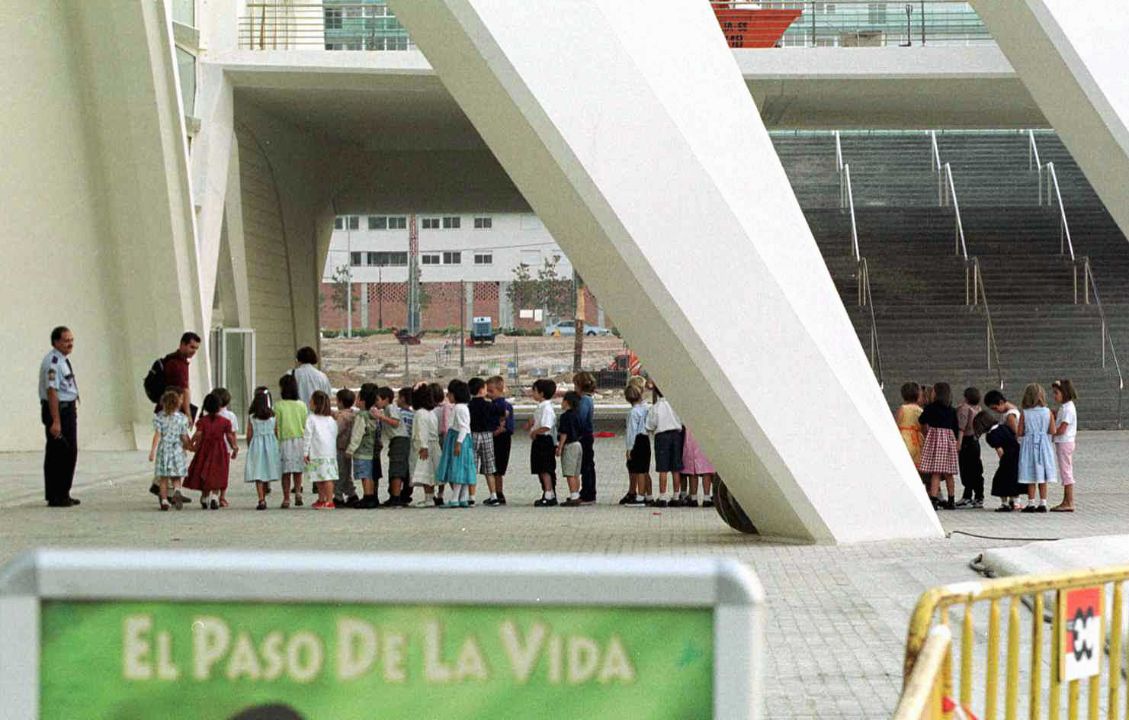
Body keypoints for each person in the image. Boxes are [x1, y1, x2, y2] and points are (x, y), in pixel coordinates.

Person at [148, 331, 202, 498]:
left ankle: (161, 485)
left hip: (165, 407)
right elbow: (184, 390)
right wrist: (188, 413)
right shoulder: (179, 365)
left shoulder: (170, 360)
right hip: (174, 410)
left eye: (196, 348)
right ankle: (169, 490)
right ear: (183, 344)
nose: (194, 351)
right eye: (192, 346)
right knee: (177, 451)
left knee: (170, 452)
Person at [39, 326, 80, 507]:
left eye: (71, 340)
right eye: (66, 340)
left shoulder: (62, 360)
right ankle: (55, 495)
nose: (70, 343)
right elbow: (52, 392)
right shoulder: (53, 362)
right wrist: (56, 421)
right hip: (59, 410)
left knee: (69, 451)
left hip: (67, 409)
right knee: (58, 452)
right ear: (56, 342)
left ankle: (63, 492)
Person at [183, 392, 237, 510]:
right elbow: (229, 436)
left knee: (204, 471)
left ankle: (205, 496)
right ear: (219, 406)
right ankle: (215, 497)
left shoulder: (203, 421)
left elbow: (198, 434)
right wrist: (234, 447)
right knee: (217, 472)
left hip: (205, 449)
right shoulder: (225, 422)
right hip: (219, 450)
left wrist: (190, 444)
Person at [919, 382, 960, 510]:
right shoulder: (952, 410)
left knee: (935, 473)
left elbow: (922, 420)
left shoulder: (931, 408)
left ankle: (934, 500)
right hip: (948, 440)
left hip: (934, 440)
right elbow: (956, 427)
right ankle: (951, 499)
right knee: (948, 473)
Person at [1017, 383, 1057, 513]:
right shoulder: (1048, 412)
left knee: (1031, 475)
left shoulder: (1025, 413)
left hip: (1029, 444)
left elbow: (1020, 431)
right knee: (1042, 475)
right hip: (1043, 444)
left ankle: (1031, 502)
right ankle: (1043, 502)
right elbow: (1052, 430)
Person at [436, 379, 476, 508]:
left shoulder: (459, 408)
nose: (448, 396)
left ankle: (455, 498)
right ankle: (462, 497)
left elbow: (463, 427)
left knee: (457, 468)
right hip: (463, 439)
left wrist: (458, 443)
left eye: (450, 394)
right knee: (464, 468)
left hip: (458, 438)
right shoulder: (463, 407)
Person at [149, 389, 190, 511]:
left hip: (164, 449)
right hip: (177, 448)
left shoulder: (159, 417)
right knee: (176, 475)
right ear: (178, 403)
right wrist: (188, 446)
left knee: (163, 477)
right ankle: (177, 490)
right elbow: (183, 436)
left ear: (163, 403)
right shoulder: (182, 418)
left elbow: (157, 435)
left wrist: (152, 451)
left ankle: (165, 500)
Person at [973, 410, 1021, 512]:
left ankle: (1004, 503)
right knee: (1014, 479)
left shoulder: (991, 436)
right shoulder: (1004, 427)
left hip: (1007, 458)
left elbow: (1000, 451)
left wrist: (1003, 462)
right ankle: (1015, 501)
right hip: (1017, 455)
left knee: (1000, 480)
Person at [244, 387, 281, 511]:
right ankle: (266, 488)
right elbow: (276, 432)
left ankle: (261, 499)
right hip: (271, 444)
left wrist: (250, 445)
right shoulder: (273, 416)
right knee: (267, 469)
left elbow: (249, 434)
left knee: (258, 472)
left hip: (257, 444)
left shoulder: (252, 417)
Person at [646, 384, 683, 508]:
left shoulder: (655, 407)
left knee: (663, 468)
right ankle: (676, 496)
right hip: (677, 436)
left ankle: (662, 497)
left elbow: (650, 425)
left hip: (662, 437)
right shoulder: (676, 405)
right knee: (676, 468)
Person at [275, 374, 308, 508]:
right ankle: (298, 493)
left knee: (286, 471)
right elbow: (305, 423)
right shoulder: (302, 405)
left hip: (285, 440)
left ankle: (286, 498)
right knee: (298, 470)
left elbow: (276, 426)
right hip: (300, 439)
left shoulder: (278, 405)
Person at [347, 383, 382, 508]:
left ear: (362, 400)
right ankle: (371, 496)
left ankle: (367, 497)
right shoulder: (373, 416)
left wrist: (350, 449)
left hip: (361, 451)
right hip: (371, 450)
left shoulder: (362, 417)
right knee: (370, 475)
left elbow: (357, 434)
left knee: (364, 475)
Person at [468, 377, 501, 506]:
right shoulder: (489, 405)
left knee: (472, 466)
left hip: (472, 435)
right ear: (482, 390)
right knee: (489, 466)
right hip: (487, 435)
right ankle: (493, 495)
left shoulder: (468, 406)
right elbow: (501, 413)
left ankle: (471, 497)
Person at [372, 387, 408, 506]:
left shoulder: (390, 408)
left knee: (396, 469)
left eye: (378, 399)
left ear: (386, 399)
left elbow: (395, 423)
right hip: (394, 440)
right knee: (394, 467)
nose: (376, 402)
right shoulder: (387, 409)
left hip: (399, 440)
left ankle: (396, 497)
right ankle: (394, 495)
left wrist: (380, 417)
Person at [304, 390, 339, 509]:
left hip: (316, 452)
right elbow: (335, 434)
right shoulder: (331, 420)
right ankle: (322, 499)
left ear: (315, 404)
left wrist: (305, 451)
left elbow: (307, 436)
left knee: (321, 477)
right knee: (323, 476)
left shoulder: (311, 419)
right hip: (329, 452)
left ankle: (328, 500)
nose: (309, 402)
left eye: (311, 401)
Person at [409, 384, 441, 507]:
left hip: (425, 446)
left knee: (425, 472)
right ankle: (430, 496)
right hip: (433, 445)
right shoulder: (431, 413)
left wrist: (423, 446)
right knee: (431, 472)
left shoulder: (420, 413)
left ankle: (428, 498)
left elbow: (422, 431)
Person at [529, 378, 558, 507]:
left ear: (541, 393)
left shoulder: (546, 408)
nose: (532, 394)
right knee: (540, 468)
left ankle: (549, 493)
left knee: (545, 468)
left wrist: (535, 432)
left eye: (534, 391)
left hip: (544, 440)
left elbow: (547, 426)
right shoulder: (541, 407)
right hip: (540, 440)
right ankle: (547, 491)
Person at [1051, 379, 1078, 512]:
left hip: (1064, 442)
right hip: (1064, 442)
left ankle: (1069, 501)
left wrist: (1051, 434)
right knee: (1065, 471)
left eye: (1056, 393)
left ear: (1064, 393)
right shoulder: (1065, 407)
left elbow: (1062, 428)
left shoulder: (1067, 409)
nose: (1054, 396)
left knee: (1066, 471)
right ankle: (1066, 500)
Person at [621, 383, 649, 507]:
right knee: (644, 469)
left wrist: (629, 449)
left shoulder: (633, 413)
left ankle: (640, 497)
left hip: (637, 441)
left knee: (638, 470)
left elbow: (631, 432)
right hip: (646, 439)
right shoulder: (646, 408)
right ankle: (648, 495)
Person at [955, 387, 984, 508]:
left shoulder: (964, 409)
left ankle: (967, 496)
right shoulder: (978, 409)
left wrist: (959, 443)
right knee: (976, 468)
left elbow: (961, 427)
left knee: (966, 468)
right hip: (975, 441)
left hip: (966, 440)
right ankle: (978, 496)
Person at [487, 376, 513, 506]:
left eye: (491, 391)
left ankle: (498, 492)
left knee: (497, 468)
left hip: (500, 439)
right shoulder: (496, 405)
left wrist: (497, 431)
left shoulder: (504, 406)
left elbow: (508, 426)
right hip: (497, 438)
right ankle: (497, 492)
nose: (488, 394)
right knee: (496, 468)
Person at [556, 391, 584, 506]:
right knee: (576, 472)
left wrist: (560, 447)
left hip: (569, 445)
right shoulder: (578, 415)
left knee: (569, 473)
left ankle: (573, 495)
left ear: (567, 402)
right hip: (578, 444)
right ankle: (576, 493)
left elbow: (564, 433)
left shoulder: (565, 416)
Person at [573, 371, 598, 504]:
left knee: (586, 465)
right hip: (587, 435)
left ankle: (588, 493)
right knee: (587, 464)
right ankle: (587, 491)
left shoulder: (584, 400)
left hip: (584, 436)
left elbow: (581, 419)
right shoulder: (588, 399)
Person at [333, 389, 360, 508]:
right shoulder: (352, 414)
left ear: (340, 402)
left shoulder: (342, 417)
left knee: (339, 473)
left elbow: (336, 431)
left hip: (340, 447)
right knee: (346, 473)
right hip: (348, 448)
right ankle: (351, 494)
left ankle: (338, 496)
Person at [213, 387, 238, 508]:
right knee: (224, 472)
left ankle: (211, 493)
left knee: (212, 471)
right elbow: (232, 433)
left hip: (211, 448)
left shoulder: (209, 414)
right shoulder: (230, 416)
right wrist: (235, 447)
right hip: (226, 448)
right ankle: (222, 496)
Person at [679, 426, 714, 508]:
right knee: (706, 470)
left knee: (692, 470)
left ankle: (694, 498)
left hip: (691, 437)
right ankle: (706, 498)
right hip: (704, 436)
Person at [895, 382, 924, 471]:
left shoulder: (903, 409)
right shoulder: (920, 410)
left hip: (905, 438)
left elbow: (896, 424)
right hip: (918, 440)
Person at [395, 387, 416, 505]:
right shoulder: (413, 415)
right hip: (411, 444)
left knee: (399, 469)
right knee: (409, 469)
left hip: (401, 443)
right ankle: (407, 493)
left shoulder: (399, 414)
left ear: (402, 399)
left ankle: (396, 493)